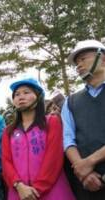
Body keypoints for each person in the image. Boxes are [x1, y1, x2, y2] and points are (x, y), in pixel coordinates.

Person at [1, 77, 75, 200]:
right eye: (17, 94)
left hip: (52, 191)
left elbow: (54, 158)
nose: (20, 97)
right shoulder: (8, 131)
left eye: (26, 92)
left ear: (39, 96)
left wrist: (37, 189)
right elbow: (6, 162)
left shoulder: (52, 122)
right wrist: (19, 185)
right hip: (19, 192)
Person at [62, 39, 105, 199]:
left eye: (83, 59)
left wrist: (88, 163)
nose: (78, 65)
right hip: (87, 185)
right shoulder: (71, 101)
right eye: (76, 63)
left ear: (103, 58)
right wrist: (83, 172)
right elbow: (67, 139)